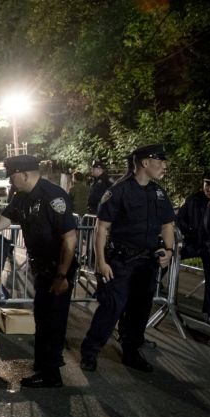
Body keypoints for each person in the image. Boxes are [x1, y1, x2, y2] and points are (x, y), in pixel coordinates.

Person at [0, 155, 77, 387]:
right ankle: (42, 364)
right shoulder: (22, 198)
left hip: (58, 269)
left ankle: (51, 375)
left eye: (12, 176)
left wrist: (62, 276)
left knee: (53, 321)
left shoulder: (53, 196)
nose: (10, 181)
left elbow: (69, 239)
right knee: (42, 317)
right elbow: (1, 223)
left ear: (25, 173)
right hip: (42, 268)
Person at [80, 145, 174, 373]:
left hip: (147, 263)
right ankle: (90, 352)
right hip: (121, 261)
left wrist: (169, 251)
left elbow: (167, 224)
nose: (164, 166)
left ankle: (132, 352)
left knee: (140, 310)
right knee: (112, 307)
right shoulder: (119, 191)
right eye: (159, 161)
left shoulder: (158, 192)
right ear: (144, 163)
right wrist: (101, 262)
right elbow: (101, 228)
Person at [177, 171, 210, 323]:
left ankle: (208, 312)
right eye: (207, 184)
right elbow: (180, 219)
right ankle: (153, 289)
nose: (209, 188)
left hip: (208, 247)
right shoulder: (194, 200)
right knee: (168, 257)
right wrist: (186, 233)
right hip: (193, 243)